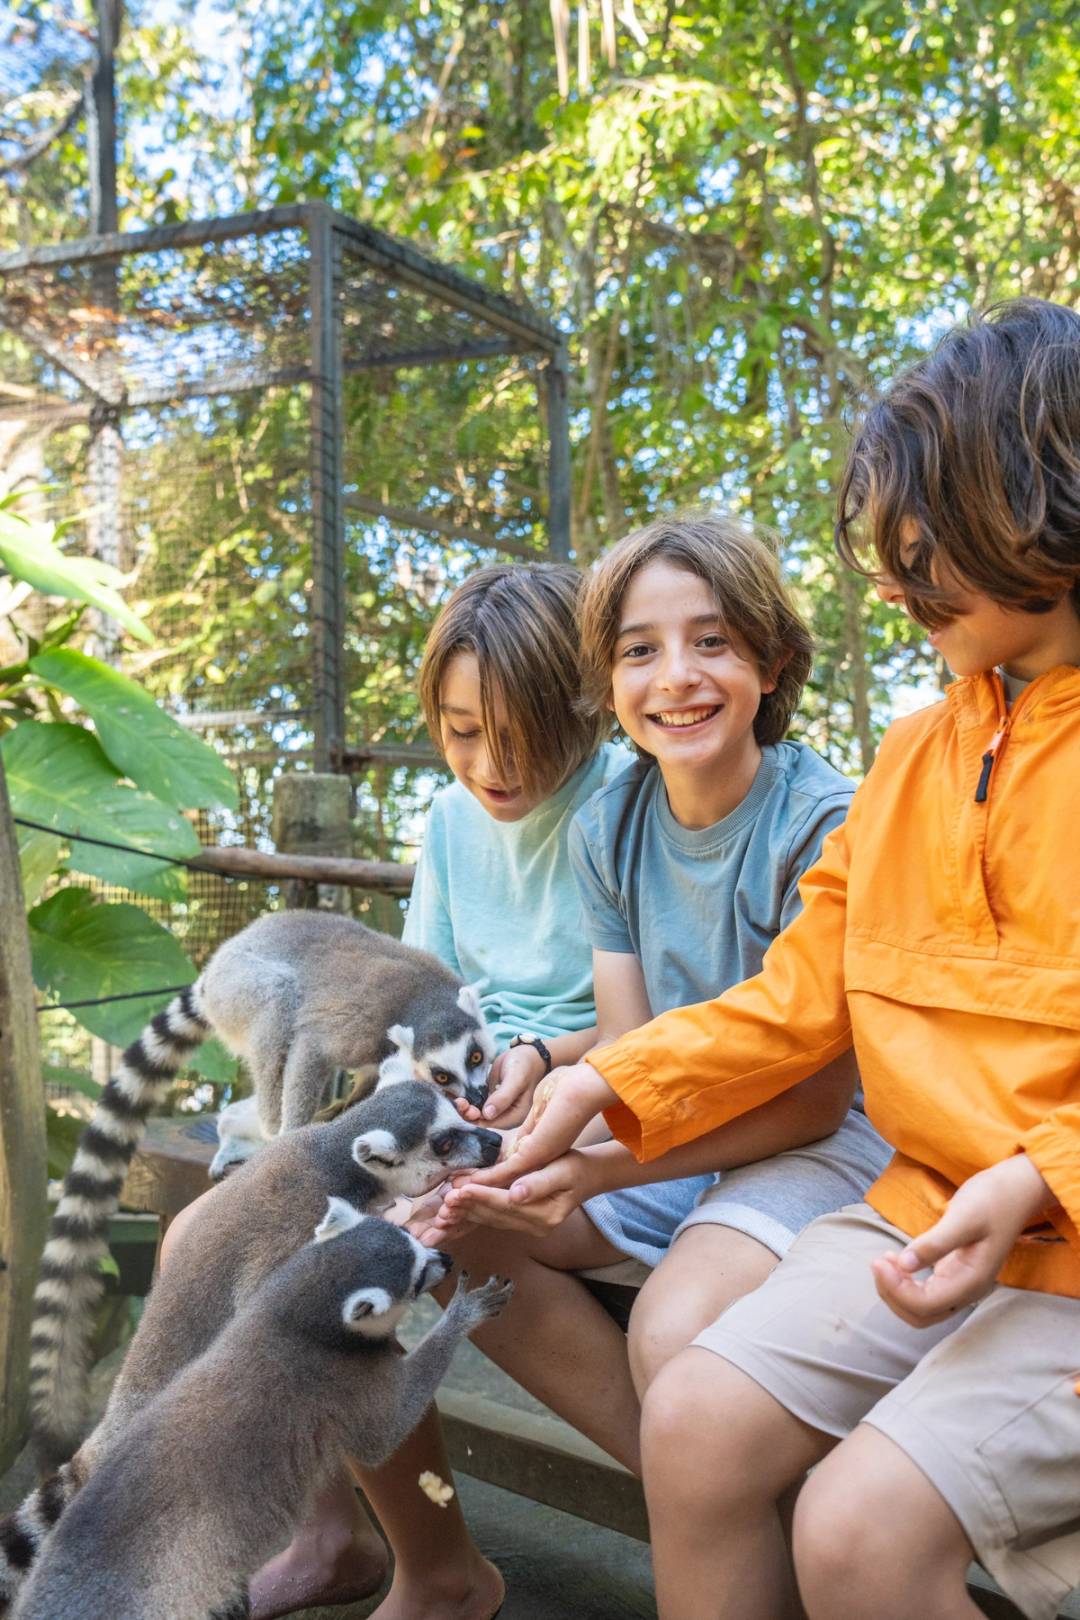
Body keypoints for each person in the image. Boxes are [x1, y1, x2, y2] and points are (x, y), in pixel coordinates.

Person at [474, 298, 1080, 1620]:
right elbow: (797, 997)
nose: (894, 579)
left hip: (1057, 1238)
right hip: (924, 1207)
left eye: (919, 542)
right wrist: (605, 1085)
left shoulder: (821, 792)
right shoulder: (914, 757)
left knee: (861, 1535)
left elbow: (817, 1098)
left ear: (1032, 506)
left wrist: (1042, 1174)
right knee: (693, 1420)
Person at [431, 514, 890, 1408]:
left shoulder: (825, 823)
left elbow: (813, 1101)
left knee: (672, 1327)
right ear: (605, 684)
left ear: (773, 662)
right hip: (680, 1130)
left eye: (711, 641)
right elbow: (628, 1043)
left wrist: (593, 1168)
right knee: (460, 1226)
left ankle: (708, 1477)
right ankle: (674, 1478)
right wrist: (529, 1144)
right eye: (640, 650)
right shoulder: (609, 828)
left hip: (822, 1141)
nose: (676, 676)